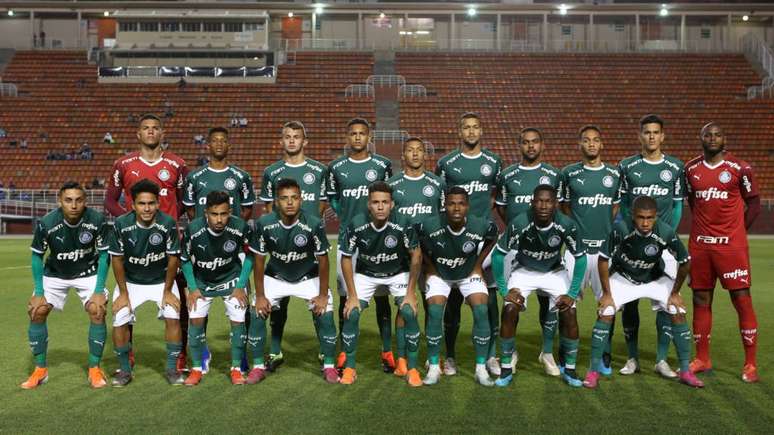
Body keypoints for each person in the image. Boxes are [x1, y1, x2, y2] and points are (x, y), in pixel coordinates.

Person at [582, 196, 703, 389]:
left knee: (677, 311)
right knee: (605, 312)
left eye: (650, 218)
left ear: (656, 217)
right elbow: (603, 260)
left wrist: (675, 292)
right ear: (632, 216)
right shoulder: (620, 229)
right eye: (640, 217)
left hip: (654, 278)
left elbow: (685, 260)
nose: (645, 223)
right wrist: (606, 294)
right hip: (624, 278)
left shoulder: (665, 232)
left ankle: (685, 371)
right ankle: (593, 371)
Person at [105, 113, 189, 371]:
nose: (151, 132)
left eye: (155, 128)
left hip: (170, 243)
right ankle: (127, 355)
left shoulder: (177, 164)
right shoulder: (123, 164)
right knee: (125, 297)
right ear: (138, 134)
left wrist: (168, 223)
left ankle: (181, 355)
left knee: (180, 300)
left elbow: (185, 201)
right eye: (146, 128)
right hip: (134, 245)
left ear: (162, 133)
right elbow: (110, 201)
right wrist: (130, 222)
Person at [685, 122, 761, 383]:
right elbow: (693, 203)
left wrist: (738, 232)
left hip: (731, 248)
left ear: (724, 138)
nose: (713, 138)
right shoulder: (691, 169)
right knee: (700, 300)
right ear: (701, 138)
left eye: (717, 134)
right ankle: (702, 358)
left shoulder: (741, 168)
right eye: (708, 134)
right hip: (701, 246)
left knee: (741, 299)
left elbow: (754, 204)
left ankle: (750, 364)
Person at [491, 184, 586, 388]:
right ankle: (506, 366)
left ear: (556, 204)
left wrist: (572, 292)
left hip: (554, 271)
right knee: (509, 309)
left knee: (569, 312)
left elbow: (580, 258)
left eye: (548, 201)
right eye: (539, 201)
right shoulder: (520, 222)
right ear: (532, 202)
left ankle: (569, 368)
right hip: (524, 270)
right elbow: (498, 255)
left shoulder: (566, 225)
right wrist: (504, 290)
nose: (543, 205)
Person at [21, 182, 111, 389]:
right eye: (68, 200)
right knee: (37, 311)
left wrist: (98, 290)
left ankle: (94, 369)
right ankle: (40, 370)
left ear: (85, 201)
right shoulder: (47, 222)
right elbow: (37, 256)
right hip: (55, 273)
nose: (73, 205)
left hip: (88, 272)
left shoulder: (97, 220)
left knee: (97, 310)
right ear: (59, 201)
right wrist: (39, 291)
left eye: (78, 200)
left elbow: (105, 255)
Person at [248, 178, 339, 384]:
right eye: (284, 198)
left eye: (294, 198)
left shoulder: (314, 223)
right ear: (276, 202)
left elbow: (323, 261)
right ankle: (257, 367)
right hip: (276, 276)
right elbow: (259, 261)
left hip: (308, 276)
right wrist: (260, 296)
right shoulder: (264, 224)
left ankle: (330, 366)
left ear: (301, 200)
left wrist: (323, 295)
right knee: (257, 311)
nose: (290, 203)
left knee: (326, 313)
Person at [616, 114, 685, 377]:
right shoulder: (626, 166)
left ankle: (661, 359)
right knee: (629, 302)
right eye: (647, 132)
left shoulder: (675, 167)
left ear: (663, 136)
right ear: (640, 135)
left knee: (666, 303)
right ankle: (632, 358)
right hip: (633, 246)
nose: (652, 137)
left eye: (656, 132)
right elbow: (623, 206)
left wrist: (668, 235)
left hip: (663, 247)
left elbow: (678, 206)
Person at [435, 112, 502, 377]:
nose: (471, 131)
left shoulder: (494, 162)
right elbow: (442, 199)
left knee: (490, 299)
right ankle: (450, 356)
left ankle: (491, 355)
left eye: (475, 127)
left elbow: (497, 196)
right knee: (452, 299)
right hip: (454, 242)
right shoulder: (446, 163)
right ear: (459, 131)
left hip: (484, 242)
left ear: (481, 131)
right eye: (466, 127)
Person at [258, 121, 328, 370]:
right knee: (279, 301)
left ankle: (324, 352)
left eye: (296, 137)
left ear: (304, 141)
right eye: (287, 136)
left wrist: (308, 230)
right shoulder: (271, 172)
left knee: (318, 302)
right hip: (281, 247)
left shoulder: (319, 171)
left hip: (310, 246)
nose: (291, 141)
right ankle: (275, 352)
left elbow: (320, 207)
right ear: (281, 141)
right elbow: (269, 209)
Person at [327, 118, 395, 372]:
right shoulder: (336, 168)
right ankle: (345, 352)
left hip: (377, 242)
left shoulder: (382, 165)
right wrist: (346, 215)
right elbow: (333, 200)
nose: (357, 137)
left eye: (362, 134)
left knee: (381, 298)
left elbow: (388, 197)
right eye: (353, 133)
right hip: (348, 242)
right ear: (347, 137)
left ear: (370, 138)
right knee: (346, 297)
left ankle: (387, 351)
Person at [339, 182, 423, 386]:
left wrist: (411, 293)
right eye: (375, 202)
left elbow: (416, 255)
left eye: (385, 202)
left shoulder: (403, 223)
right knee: (352, 312)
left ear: (392, 204)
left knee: (409, 312)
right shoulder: (356, 224)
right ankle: (350, 368)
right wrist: (351, 295)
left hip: (397, 273)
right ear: (368, 204)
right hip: (367, 274)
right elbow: (346, 258)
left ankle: (410, 368)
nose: (380, 206)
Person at [496, 127, 564, 376]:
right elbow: (503, 210)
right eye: (525, 142)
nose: (531, 146)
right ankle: (509, 352)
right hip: (515, 250)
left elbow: (561, 209)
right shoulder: (507, 175)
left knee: (550, 302)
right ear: (519, 145)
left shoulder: (554, 175)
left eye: (535, 142)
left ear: (542, 145)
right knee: (511, 302)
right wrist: (519, 230)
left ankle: (546, 352)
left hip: (548, 251)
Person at [419, 187, 498, 386]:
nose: (456, 208)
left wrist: (478, 264)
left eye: (461, 204)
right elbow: (415, 241)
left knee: (481, 309)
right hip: (441, 274)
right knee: (435, 311)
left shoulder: (481, 225)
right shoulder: (429, 225)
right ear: (444, 206)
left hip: (467, 273)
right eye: (452, 203)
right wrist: (429, 266)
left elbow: (493, 237)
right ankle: (435, 367)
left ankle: (480, 368)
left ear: (467, 206)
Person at [109, 180, 184, 387]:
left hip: (161, 281)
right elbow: (116, 259)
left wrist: (168, 291)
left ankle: (171, 368)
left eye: (151, 203)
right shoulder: (121, 224)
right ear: (133, 205)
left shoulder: (167, 223)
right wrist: (123, 293)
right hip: (131, 282)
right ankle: (124, 371)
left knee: (173, 315)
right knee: (119, 318)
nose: (147, 208)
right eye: (142, 203)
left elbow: (172, 259)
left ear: (158, 204)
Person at [559, 125, 621, 375]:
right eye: (586, 140)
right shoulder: (569, 173)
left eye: (596, 140)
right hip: (576, 252)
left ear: (601, 144)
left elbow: (615, 208)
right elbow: (563, 207)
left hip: (605, 252)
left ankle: (604, 354)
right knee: (567, 303)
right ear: (580, 144)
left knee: (608, 304)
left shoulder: (614, 175)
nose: (592, 144)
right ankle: (565, 353)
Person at [180, 191, 254, 386]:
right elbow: (185, 259)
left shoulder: (240, 227)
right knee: (195, 322)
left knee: (238, 322)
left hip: (231, 280)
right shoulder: (193, 229)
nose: (219, 219)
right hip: (202, 283)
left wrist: (240, 286)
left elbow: (251, 257)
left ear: (230, 211)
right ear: (206, 213)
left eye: (223, 214)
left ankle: (236, 369)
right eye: (214, 214)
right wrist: (193, 287)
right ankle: (196, 369)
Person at [387, 136, 445, 376]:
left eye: (419, 150)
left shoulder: (437, 183)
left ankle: (434, 358)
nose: (414, 154)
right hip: (403, 256)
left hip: (431, 254)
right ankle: (401, 359)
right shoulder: (392, 184)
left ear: (425, 154)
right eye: (410, 150)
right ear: (403, 156)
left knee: (434, 305)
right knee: (404, 307)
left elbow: (443, 217)